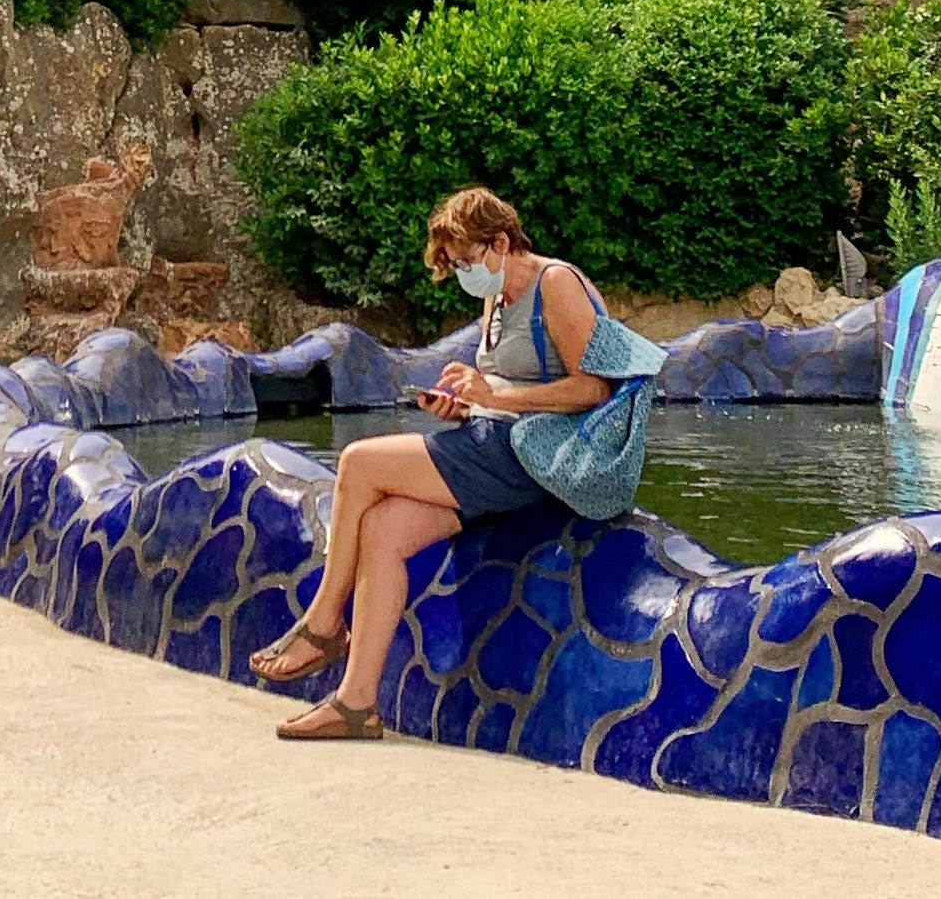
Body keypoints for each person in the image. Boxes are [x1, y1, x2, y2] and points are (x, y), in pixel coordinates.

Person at [246, 187, 664, 741]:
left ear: (501, 242)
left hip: (530, 458)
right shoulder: (498, 296)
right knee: (382, 528)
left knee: (358, 463)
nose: (465, 272)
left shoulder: (555, 283)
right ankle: (356, 703)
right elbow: (506, 388)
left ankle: (323, 622)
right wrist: (462, 406)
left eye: (468, 260)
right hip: (494, 444)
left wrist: (494, 396)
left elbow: (592, 388)